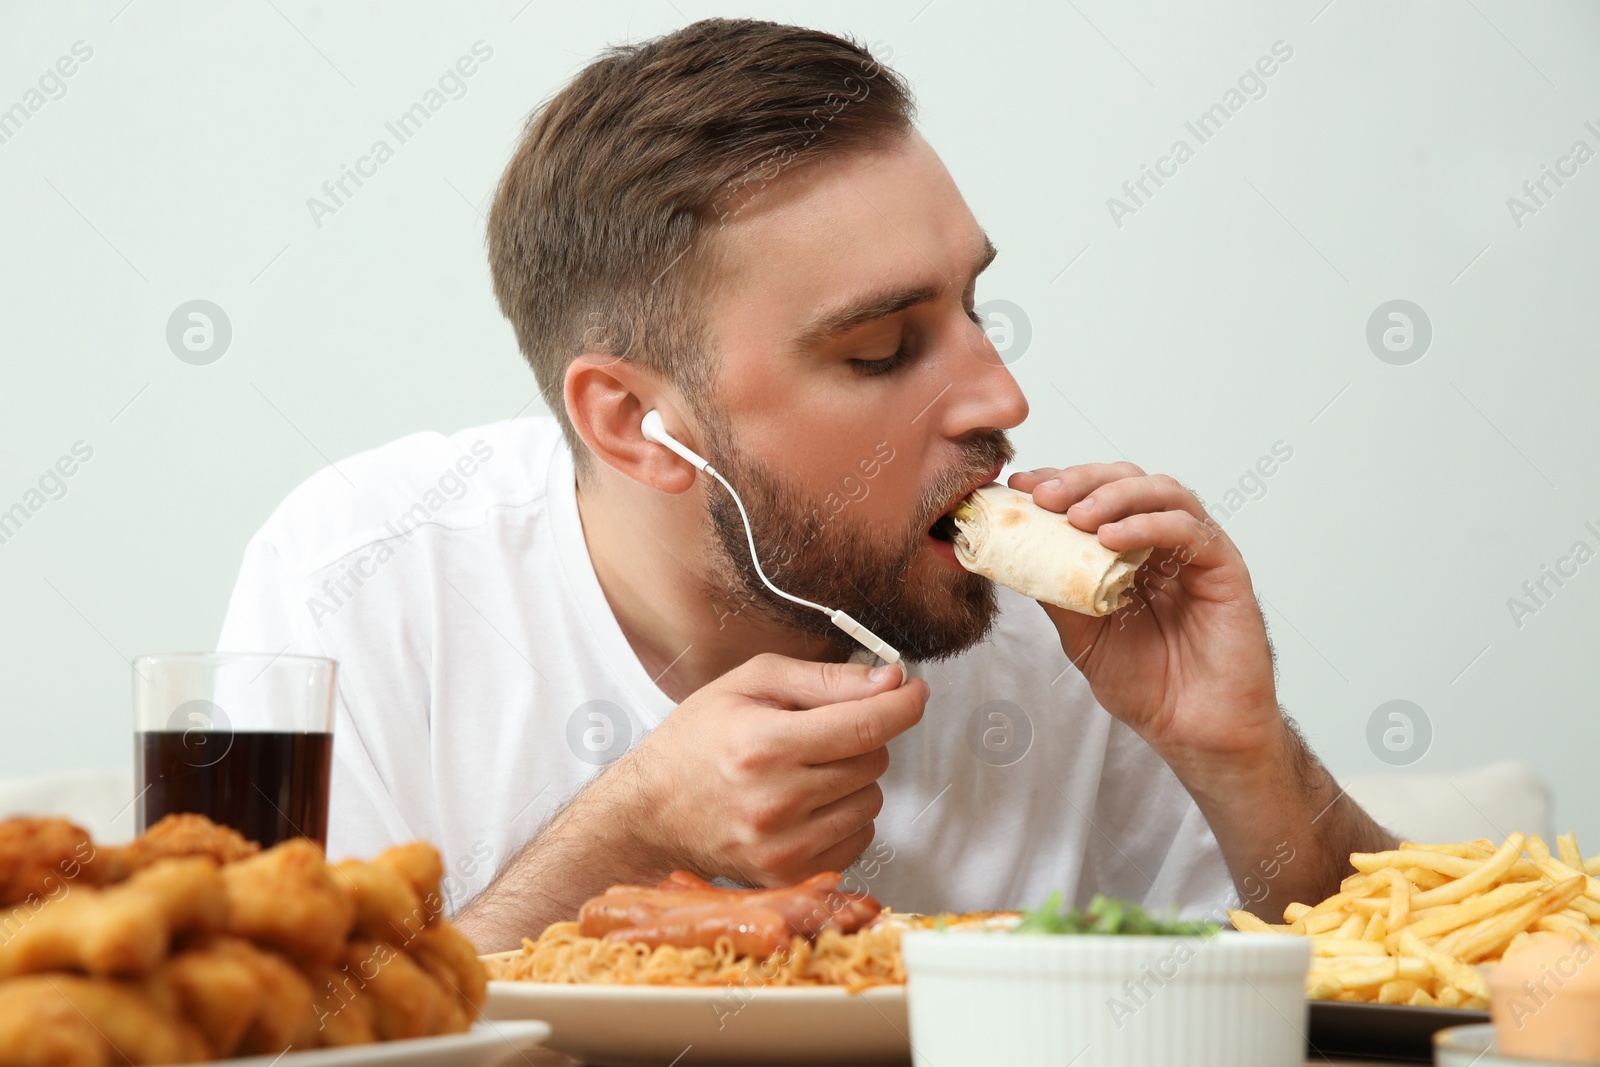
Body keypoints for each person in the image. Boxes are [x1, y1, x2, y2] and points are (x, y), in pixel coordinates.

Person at [218, 18, 1394, 952]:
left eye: (971, 307)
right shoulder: (367, 574)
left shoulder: (1078, 641)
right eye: (880, 349)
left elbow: (1433, 1011)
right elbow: (271, 1044)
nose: (1000, 398)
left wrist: (1244, 758)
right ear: (634, 423)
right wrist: (620, 842)